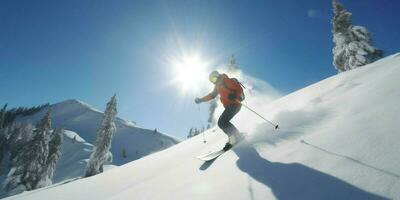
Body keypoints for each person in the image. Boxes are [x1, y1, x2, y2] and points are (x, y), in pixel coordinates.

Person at [195, 70, 245, 151]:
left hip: (235, 104)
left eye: (214, 79)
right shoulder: (217, 87)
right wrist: (201, 100)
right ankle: (236, 136)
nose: (214, 81)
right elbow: (211, 96)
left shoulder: (225, 80)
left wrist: (235, 95)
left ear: (217, 76)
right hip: (230, 106)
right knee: (223, 122)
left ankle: (234, 138)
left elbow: (239, 89)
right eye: (212, 81)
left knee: (222, 122)